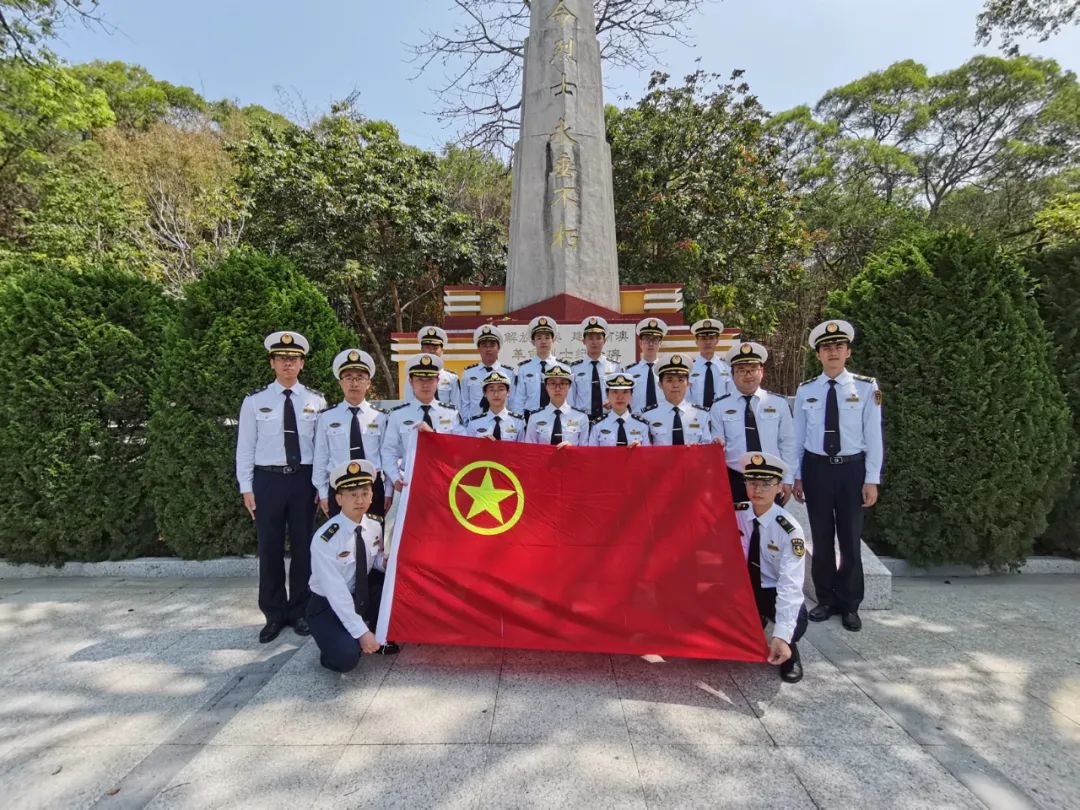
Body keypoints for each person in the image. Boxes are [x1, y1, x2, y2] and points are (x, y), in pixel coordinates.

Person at [793, 319, 883, 633]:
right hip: (817, 469)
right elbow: (798, 437)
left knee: (849, 539)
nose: (832, 352)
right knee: (820, 537)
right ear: (818, 355)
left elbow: (874, 436)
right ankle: (826, 599)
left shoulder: (865, 387)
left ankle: (850, 604)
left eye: (838, 346)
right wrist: (797, 476)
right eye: (826, 348)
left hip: (851, 470)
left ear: (848, 352)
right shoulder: (807, 390)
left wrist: (871, 478)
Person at [236, 331, 326, 643]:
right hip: (268, 480)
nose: (288, 363)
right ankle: (274, 613)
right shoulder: (255, 401)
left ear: (302, 364)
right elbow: (245, 447)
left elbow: (322, 448)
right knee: (270, 548)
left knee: (304, 548)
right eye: (282, 358)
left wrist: (321, 486)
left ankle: (300, 610)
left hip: (303, 479)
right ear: (272, 362)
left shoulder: (316, 401)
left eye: (294, 358)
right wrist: (246, 487)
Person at [733, 451, 808, 684]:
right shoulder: (735, 513)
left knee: (798, 619)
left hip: (771, 589)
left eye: (767, 484)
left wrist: (783, 635)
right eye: (752, 482)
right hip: (741, 587)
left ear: (779, 488)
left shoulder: (790, 530)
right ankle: (754, 620)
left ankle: (789, 650)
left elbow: (790, 584)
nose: (758, 489)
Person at [307, 459, 386, 672]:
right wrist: (361, 633)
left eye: (365, 493)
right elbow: (335, 592)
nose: (359, 500)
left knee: (388, 584)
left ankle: (362, 626)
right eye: (353, 494)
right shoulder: (326, 538)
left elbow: (374, 560)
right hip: (326, 605)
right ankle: (332, 643)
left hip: (358, 596)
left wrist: (387, 562)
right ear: (339, 499)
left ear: (372, 496)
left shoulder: (374, 525)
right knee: (346, 658)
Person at [710, 341, 796, 503]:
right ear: (732, 374)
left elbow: (788, 443)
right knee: (738, 528)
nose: (748, 375)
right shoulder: (719, 406)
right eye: (741, 370)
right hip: (735, 480)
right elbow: (717, 444)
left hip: (771, 479)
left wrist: (788, 478)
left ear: (761, 372)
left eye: (753, 369)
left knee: (770, 527)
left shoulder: (778, 403)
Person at [380, 354, 464, 512]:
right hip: (410, 482)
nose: (425, 385)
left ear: (437, 381)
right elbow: (389, 451)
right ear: (411, 382)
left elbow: (461, 447)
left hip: (444, 483)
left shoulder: (450, 413)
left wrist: (432, 433)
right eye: (420, 380)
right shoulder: (398, 415)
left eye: (430, 380)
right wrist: (396, 478)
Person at [313, 349, 388, 519]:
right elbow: (321, 457)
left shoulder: (380, 417)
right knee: (340, 540)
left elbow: (387, 455)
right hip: (339, 488)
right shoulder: (326, 417)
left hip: (372, 487)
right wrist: (323, 493)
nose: (354, 383)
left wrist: (388, 491)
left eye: (360, 378)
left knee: (374, 539)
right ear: (340, 383)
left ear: (368, 383)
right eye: (348, 378)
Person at [643, 354, 713, 445]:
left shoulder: (701, 414)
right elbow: (645, 449)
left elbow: (707, 447)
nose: (675, 385)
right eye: (669, 380)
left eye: (680, 380)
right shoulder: (648, 415)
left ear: (688, 383)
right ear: (660, 384)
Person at [460, 324, 517, 421]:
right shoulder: (469, 373)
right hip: (475, 425)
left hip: (502, 423)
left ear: (498, 348)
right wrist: (467, 424)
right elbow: (464, 403)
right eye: (484, 345)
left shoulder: (509, 373)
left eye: (492, 345)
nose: (488, 349)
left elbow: (513, 402)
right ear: (478, 349)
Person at [523, 364, 591, 446]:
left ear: (569, 386)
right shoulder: (535, 417)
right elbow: (530, 449)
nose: (557, 389)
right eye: (552, 383)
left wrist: (572, 449)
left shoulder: (581, 417)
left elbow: (584, 450)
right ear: (546, 386)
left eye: (562, 384)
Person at [511, 316, 563, 417]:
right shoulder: (524, 369)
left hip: (556, 417)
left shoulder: (562, 368)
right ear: (533, 341)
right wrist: (518, 422)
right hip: (530, 418)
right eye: (539, 338)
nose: (543, 341)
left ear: (553, 340)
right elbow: (519, 399)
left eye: (547, 337)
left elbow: (567, 399)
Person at [570, 316, 621, 421]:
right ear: (583, 341)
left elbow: (620, 393)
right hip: (582, 418)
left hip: (608, 418)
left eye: (598, 338)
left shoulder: (614, 367)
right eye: (590, 338)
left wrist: (613, 402)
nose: (594, 342)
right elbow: (571, 398)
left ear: (604, 340)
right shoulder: (575, 368)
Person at [588, 373, 651, 447]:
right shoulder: (598, 425)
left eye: (625, 392)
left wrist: (640, 450)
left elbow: (648, 455)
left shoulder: (642, 425)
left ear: (631, 395)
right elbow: (591, 455)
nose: (620, 397)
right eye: (615, 392)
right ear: (607, 395)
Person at [405, 325, 461, 409]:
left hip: (445, 420)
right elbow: (408, 404)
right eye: (427, 347)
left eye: (435, 348)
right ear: (422, 350)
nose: (431, 351)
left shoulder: (452, 378)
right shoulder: (412, 377)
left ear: (442, 351)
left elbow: (457, 406)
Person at [466, 370, 526, 440]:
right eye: (491, 390)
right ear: (484, 393)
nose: (496, 394)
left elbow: (522, 449)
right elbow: (469, 449)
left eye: (500, 389)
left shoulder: (518, 422)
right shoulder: (474, 423)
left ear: (508, 392)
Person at [624, 318, 668, 415]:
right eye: (647, 340)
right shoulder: (630, 372)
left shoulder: (666, 371)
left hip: (663, 419)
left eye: (655, 340)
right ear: (640, 343)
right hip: (637, 421)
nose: (651, 344)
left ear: (660, 344)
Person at [689, 317, 731, 407]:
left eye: (711, 338)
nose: (707, 342)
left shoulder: (726, 367)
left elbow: (731, 394)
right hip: (697, 417)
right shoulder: (689, 368)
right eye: (703, 338)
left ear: (717, 341)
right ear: (696, 341)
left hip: (721, 416)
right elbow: (686, 397)